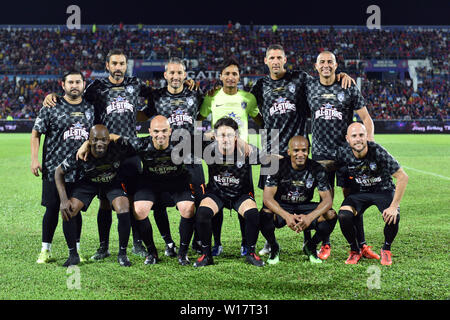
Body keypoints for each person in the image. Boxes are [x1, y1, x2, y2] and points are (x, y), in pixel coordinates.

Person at [250, 44, 355, 256]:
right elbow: (253, 111)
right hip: (272, 150)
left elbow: (324, 80)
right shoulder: (260, 85)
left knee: (303, 195)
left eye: (280, 57)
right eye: (272, 58)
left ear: (285, 59)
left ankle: (309, 238)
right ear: (266, 61)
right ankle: (270, 242)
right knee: (269, 201)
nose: (276, 61)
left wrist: (339, 73)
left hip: (298, 150)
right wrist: (267, 131)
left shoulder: (299, 78)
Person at [305, 50, 376, 260]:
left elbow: (367, 119)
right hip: (320, 155)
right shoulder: (308, 86)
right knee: (324, 203)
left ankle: (360, 245)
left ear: (336, 66)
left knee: (353, 201)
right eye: (322, 62)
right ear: (316, 67)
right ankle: (325, 245)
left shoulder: (348, 86)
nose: (326, 65)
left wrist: (368, 147)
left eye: (330, 62)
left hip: (346, 155)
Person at [106, 115, 196, 266]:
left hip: (177, 181)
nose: (160, 135)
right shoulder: (141, 143)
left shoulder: (182, 143)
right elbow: (114, 137)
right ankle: (152, 251)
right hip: (150, 182)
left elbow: (209, 139)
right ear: (149, 132)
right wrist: (85, 145)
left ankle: (183, 252)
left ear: (170, 131)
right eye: (156, 131)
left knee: (188, 209)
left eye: (164, 131)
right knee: (139, 210)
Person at [198, 56, 263, 256]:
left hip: (242, 154)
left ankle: (246, 243)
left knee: (245, 195)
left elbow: (259, 119)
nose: (231, 77)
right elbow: (198, 118)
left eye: (234, 73)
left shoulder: (248, 98)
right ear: (221, 76)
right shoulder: (212, 97)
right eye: (227, 73)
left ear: (239, 76)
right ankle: (216, 243)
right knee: (216, 193)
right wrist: (207, 135)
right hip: (218, 151)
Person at [140, 57, 205, 258]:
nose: (175, 76)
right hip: (164, 160)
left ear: (185, 75)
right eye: (172, 73)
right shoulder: (157, 96)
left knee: (198, 202)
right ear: (166, 75)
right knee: (159, 202)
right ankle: (169, 242)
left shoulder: (195, 94)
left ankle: (195, 241)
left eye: (179, 73)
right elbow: (145, 115)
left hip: (191, 157)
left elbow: (201, 116)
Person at [193, 117, 276, 268]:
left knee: (252, 214)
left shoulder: (247, 150)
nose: (225, 139)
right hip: (216, 193)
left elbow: (267, 159)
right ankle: (206, 255)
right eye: (222, 135)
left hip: (240, 194)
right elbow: (186, 141)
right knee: (202, 213)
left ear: (236, 135)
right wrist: (206, 135)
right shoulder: (208, 149)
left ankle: (250, 253)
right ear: (216, 136)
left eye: (230, 135)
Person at [31, 70, 94, 264]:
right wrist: (34, 159)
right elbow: (36, 133)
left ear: (84, 84)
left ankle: (76, 250)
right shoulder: (52, 106)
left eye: (78, 82)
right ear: (63, 85)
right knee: (51, 209)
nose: (74, 85)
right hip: (53, 168)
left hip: (81, 169)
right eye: (70, 82)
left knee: (74, 209)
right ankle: (45, 249)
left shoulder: (91, 108)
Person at [54, 125, 133, 267]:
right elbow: (58, 172)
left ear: (109, 140)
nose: (99, 143)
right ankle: (73, 255)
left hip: (112, 182)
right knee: (69, 211)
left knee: (124, 208)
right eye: (95, 140)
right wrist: (63, 200)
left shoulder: (118, 148)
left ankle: (122, 254)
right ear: (89, 141)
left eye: (103, 140)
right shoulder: (80, 153)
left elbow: (133, 145)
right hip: (88, 183)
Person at [335, 123, 408, 265]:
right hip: (359, 193)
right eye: (354, 136)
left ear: (366, 136)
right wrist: (350, 204)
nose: (358, 139)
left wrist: (394, 206)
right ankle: (355, 250)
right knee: (344, 215)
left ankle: (386, 249)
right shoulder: (342, 153)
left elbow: (402, 176)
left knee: (393, 216)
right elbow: (345, 183)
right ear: (347, 139)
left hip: (383, 190)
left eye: (361, 135)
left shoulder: (377, 151)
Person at [261, 136, 336, 264]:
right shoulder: (277, 167)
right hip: (283, 206)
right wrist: (287, 216)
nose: (300, 154)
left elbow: (327, 200)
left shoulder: (317, 168)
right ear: (289, 151)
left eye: (304, 150)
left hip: (305, 206)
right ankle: (274, 247)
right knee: (264, 214)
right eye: (296, 150)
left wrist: (309, 217)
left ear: (308, 151)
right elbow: (267, 198)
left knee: (331, 214)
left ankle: (311, 246)